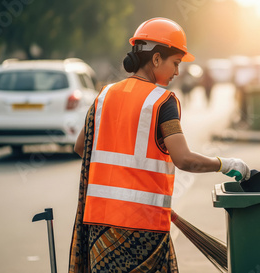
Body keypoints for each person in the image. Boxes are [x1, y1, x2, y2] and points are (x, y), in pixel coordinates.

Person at [68, 17, 250, 273]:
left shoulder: (104, 95)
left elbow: (81, 147)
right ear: (155, 59)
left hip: (101, 224)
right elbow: (184, 159)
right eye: (175, 63)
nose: (177, 72)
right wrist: (226, 164)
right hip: (142, 227)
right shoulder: (162, 102)